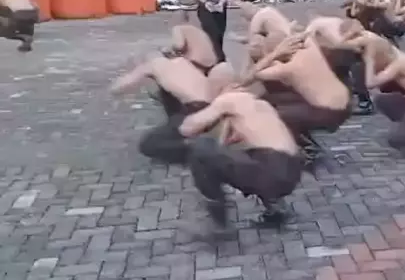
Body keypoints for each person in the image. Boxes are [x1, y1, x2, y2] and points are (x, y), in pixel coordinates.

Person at [178, 89, 304, 231]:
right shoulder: (262, 105)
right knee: (250, 156)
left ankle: (217, 223)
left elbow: (187, 129)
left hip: (271, 173)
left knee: (201, 146)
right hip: (292, 171)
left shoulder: (228, 99)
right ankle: (276, 208)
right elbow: (228, 143)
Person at [341, 24, 405, 149]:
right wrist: (352, 33)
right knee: (381, 100)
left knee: (395, 138)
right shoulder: (392, 51)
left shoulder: (399, 64)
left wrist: (370, 60)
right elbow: (364, 36)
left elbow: (370, 83)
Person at [109, 55, 228, 165]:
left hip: (195, 109)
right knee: (165, 92)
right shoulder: (182, 61)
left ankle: (199, 153)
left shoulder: (152, 65)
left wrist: (132, 75)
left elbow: (118, 88)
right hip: (212, 108)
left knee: (147, 145)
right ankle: (191, 137)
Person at [236, 31, 352, 142]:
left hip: (330, 111)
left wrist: (273, 54)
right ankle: (302, 136)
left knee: (275, 115)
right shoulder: (310, 49)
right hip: (343, 103)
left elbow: (247, 78)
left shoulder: (288, 69)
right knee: (273, 100)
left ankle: (306, 146)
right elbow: (305, 35)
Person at [304, 17, 374, 115]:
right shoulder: (330, 22)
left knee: (344, 72)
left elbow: (337, 43)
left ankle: (359, 102)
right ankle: (355, 101)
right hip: (344, 45)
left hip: (340, 46)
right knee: (347, 71)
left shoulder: (316, 26)